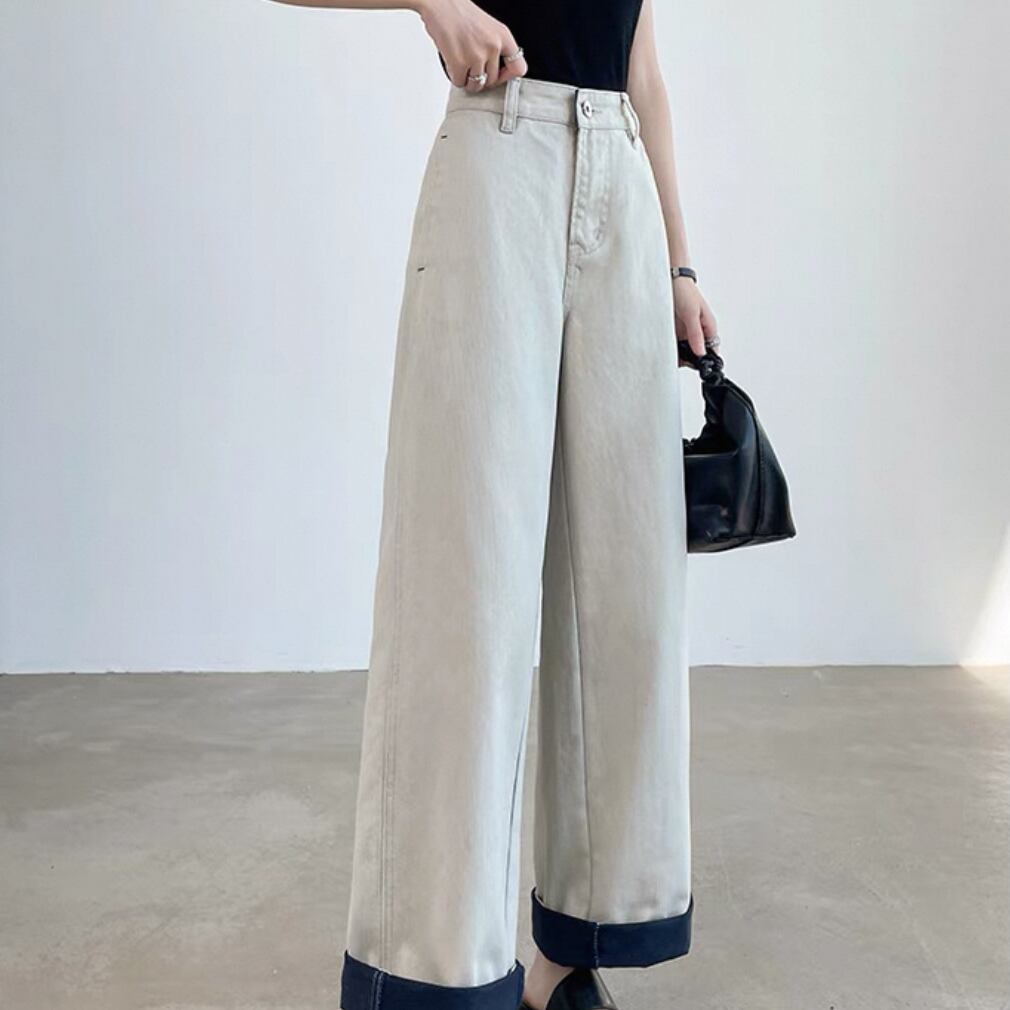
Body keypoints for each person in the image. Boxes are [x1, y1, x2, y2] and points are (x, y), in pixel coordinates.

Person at [270, 1, 719, 1007]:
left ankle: (569, 952)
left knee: (626, 588)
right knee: (466, 579)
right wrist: (435, 3)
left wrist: (680, 263)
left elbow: (642, 69)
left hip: (622, 185)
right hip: (498, 158)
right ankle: (430, 971)